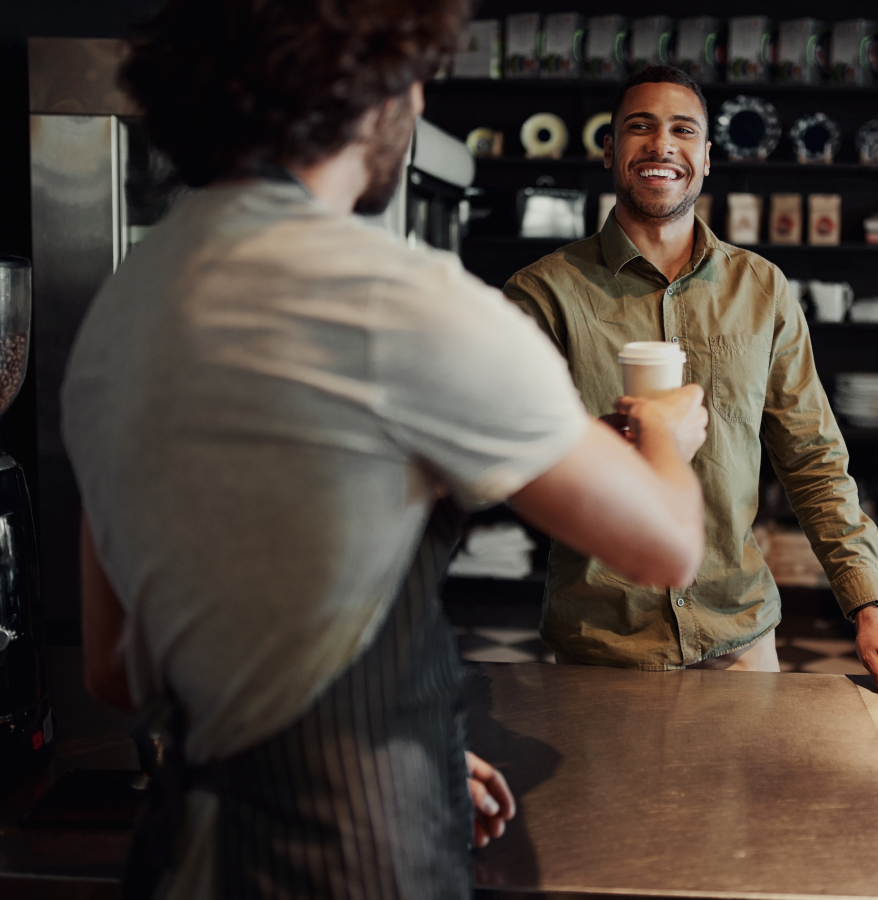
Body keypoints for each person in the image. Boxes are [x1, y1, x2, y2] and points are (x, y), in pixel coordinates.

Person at [63, 6, 708, 899]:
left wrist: (408, 746)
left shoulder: (121, 308)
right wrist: (668, 436)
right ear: (369, 91)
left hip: (184, 852)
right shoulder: (397, 302)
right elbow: (666, 546)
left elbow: (114, 663)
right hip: (350, 860)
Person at [504, 66, 878, 709]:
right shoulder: (541, 294)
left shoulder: (763, 290)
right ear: (609, 150)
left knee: (735, 814)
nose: (662, 145)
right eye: (640, 127)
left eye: (682, 130)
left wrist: (869, 606)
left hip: (740, 641)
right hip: (600, 645)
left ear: (708, 158)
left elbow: (814, 458)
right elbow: (518, 462)